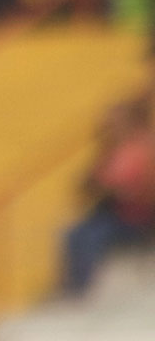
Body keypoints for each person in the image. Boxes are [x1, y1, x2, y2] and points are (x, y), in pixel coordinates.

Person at [60, 89, 155, 298]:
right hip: (114, 213)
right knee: (75, 233)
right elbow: (87, 186)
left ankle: (81, 291)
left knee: (87, 237)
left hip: (136, 218)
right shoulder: (111, 152)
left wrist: (113, 186)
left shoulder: (141, 148)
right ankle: (77, 288)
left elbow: (132, 188)